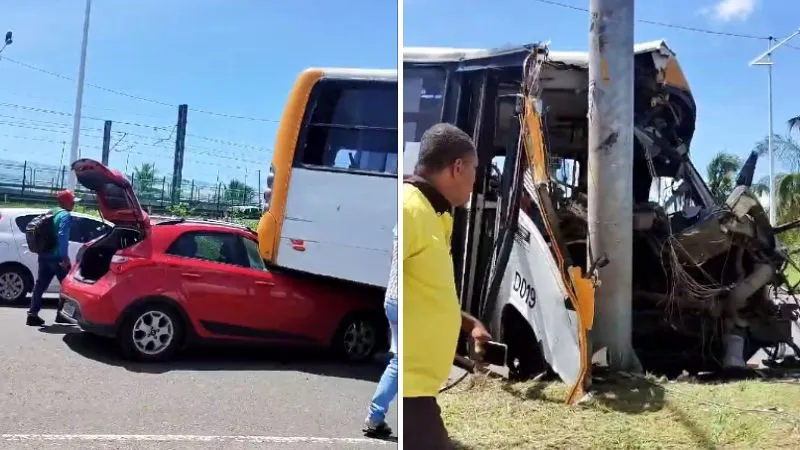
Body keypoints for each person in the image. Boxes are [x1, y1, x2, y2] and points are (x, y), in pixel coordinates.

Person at [403, 123, 492, 449]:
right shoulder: (410, 210)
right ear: (458, 167)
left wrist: (468, 323)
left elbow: (425, 290)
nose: (475, 181)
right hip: (409, 389)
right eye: (474, 170)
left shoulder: (436, 214)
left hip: (420, 388)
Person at [362, 224, 398, 438]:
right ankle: (375, 417)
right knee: (403, 363)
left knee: (399, 361)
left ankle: (376, 417)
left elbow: (393, 259)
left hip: (392, 298)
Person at [26, 190, 77, 327]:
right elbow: (62, 236)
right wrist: (64, 257)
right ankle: (62, 316)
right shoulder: (65, 215)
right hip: (57, 258)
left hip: (44, 256)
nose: (74, 204)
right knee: (68, 288)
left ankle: (32, 314)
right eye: (72, 201)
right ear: (66, 202)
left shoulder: (51, 211)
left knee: (40, 285)